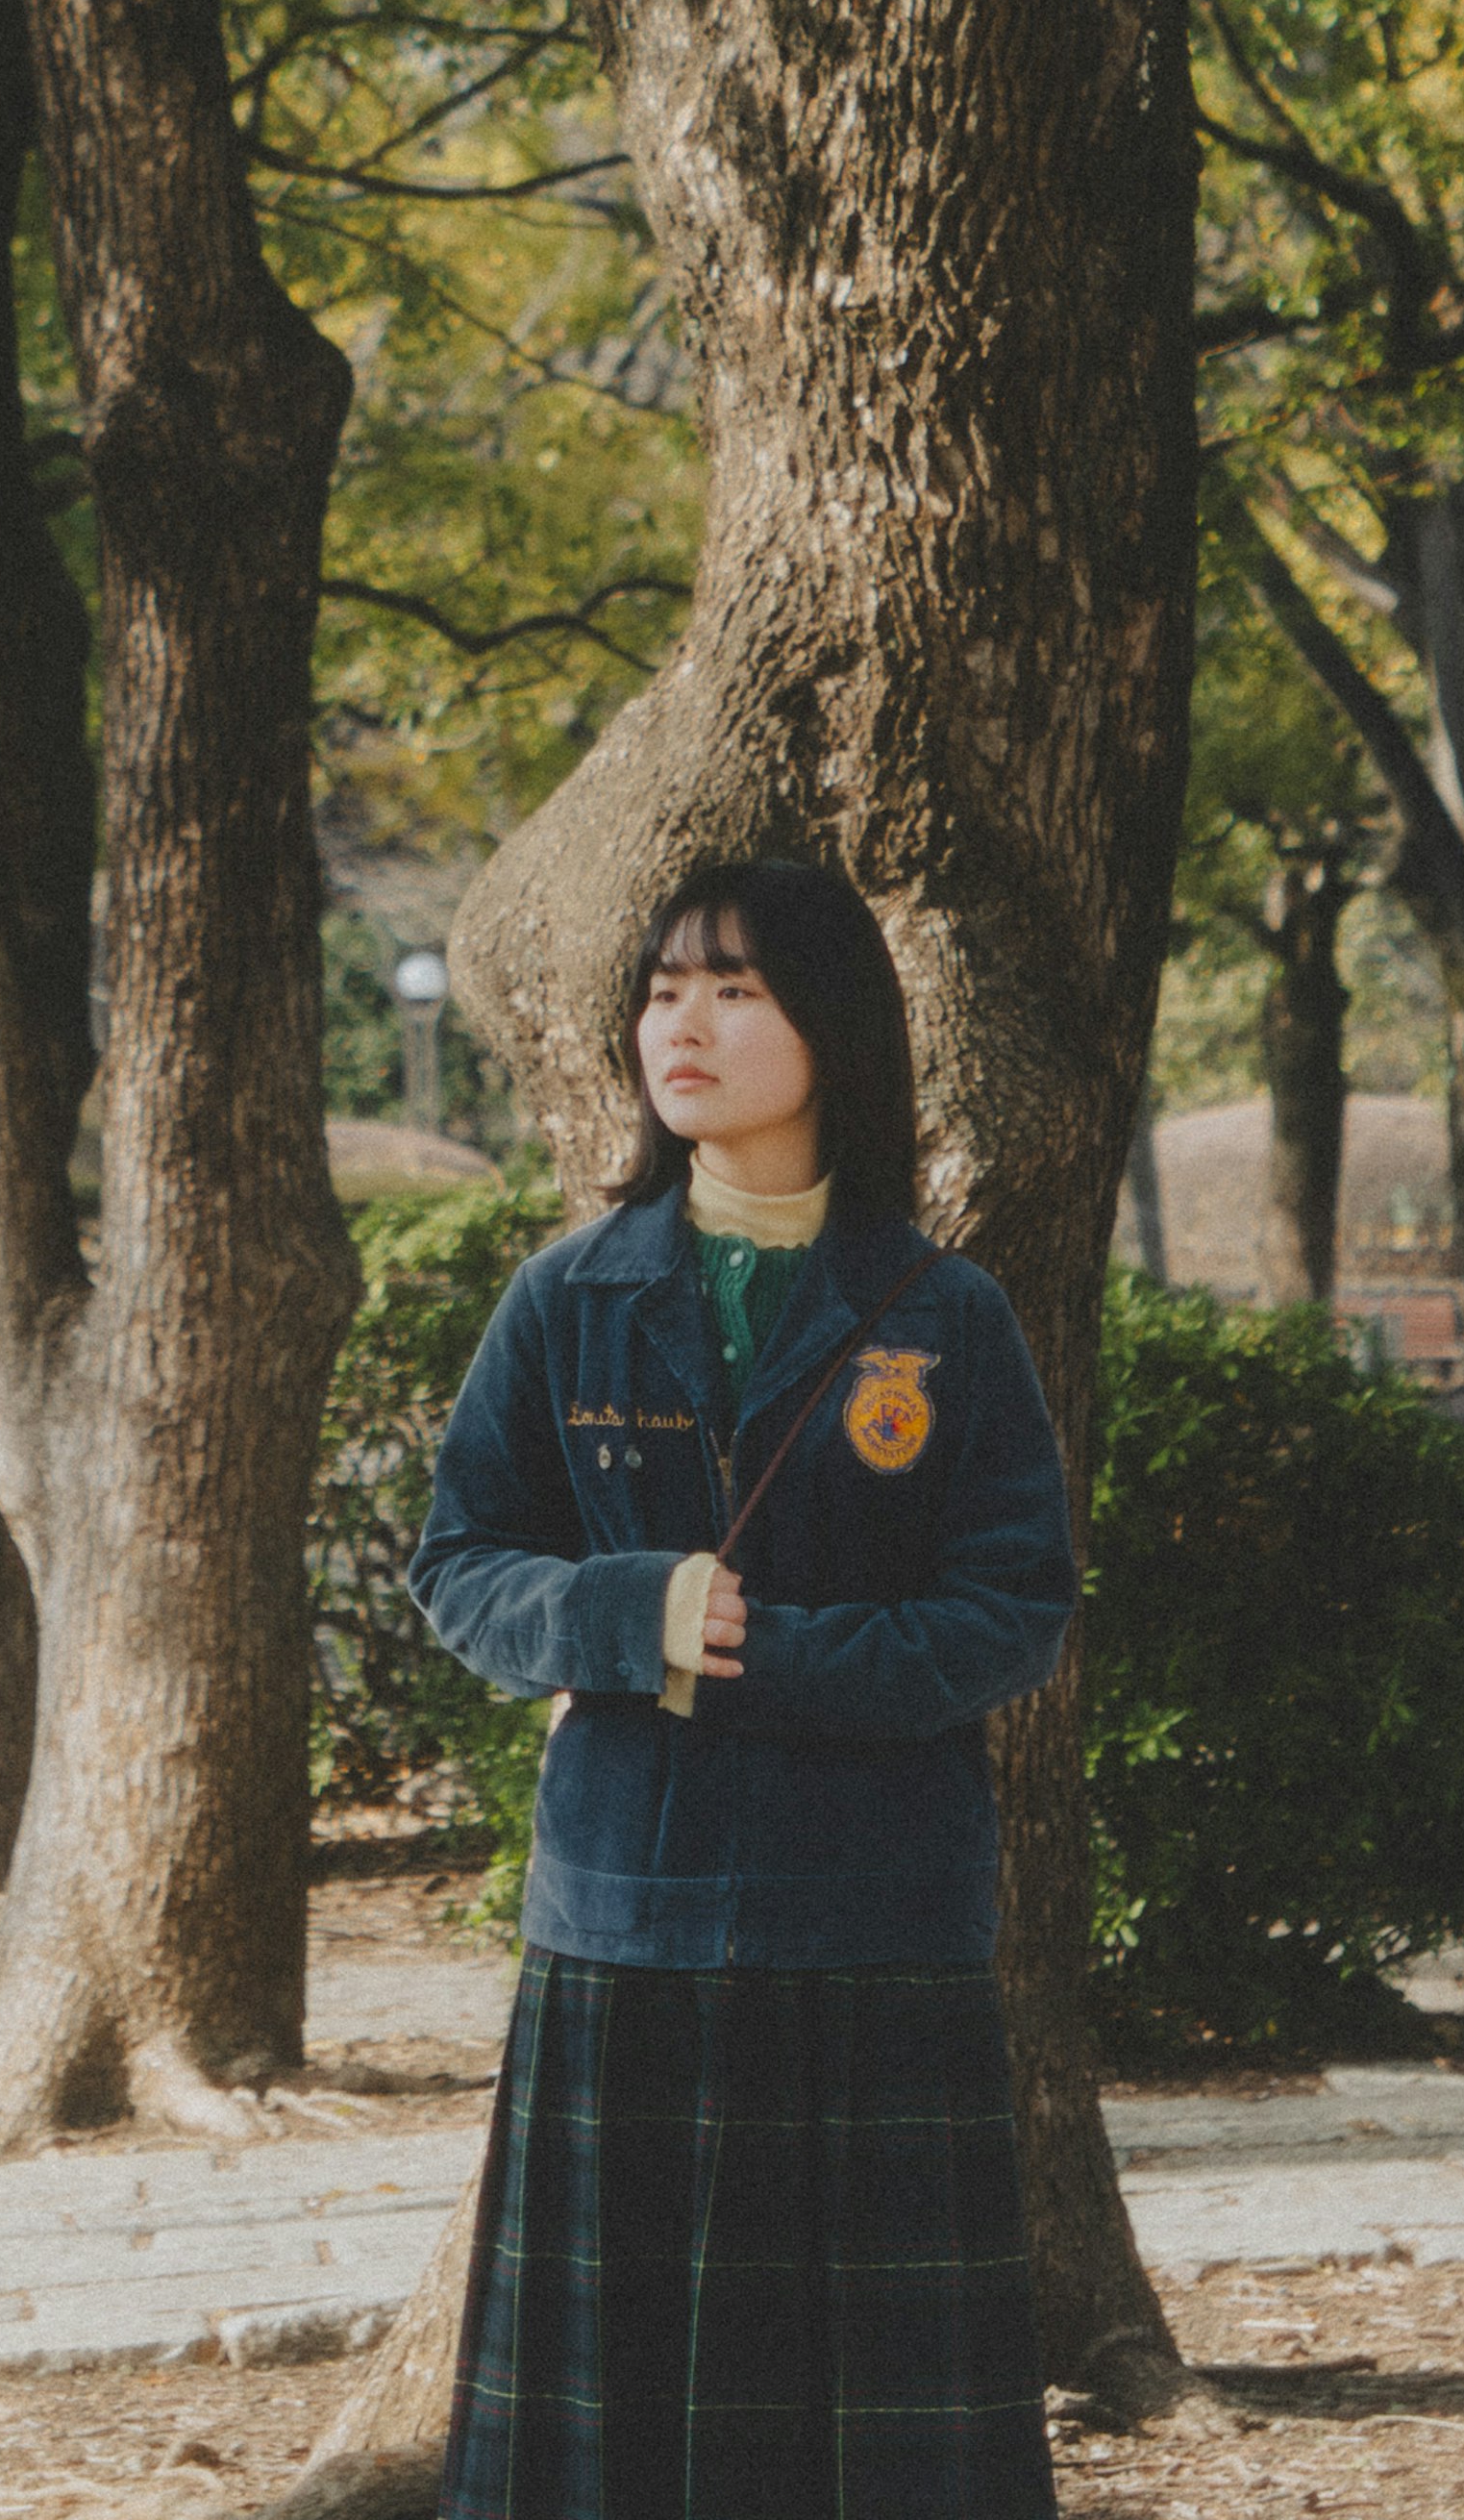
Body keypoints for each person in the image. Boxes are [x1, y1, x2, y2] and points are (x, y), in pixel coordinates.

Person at [409, 857, 1079, 2520]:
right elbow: (462, 1564)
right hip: (623, 1914)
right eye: (659, 988)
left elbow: (1011, 1611)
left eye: (734, 989)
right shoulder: (571, 1298)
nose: (681, 1025)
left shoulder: (946, 1315)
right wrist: (629, 1613)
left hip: (874, 1927)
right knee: (610, 2431)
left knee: (869, 2442)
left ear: (833, 1027)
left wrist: (758, 1651)